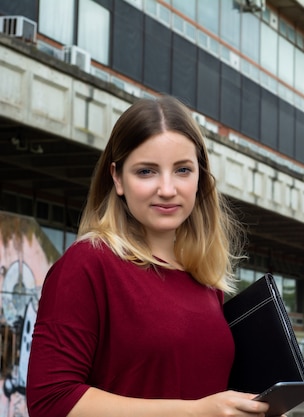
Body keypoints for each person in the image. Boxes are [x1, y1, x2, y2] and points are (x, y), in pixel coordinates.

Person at [26, 95, 272, 417]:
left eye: (183, 170)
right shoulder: (87, 264)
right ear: (117, 178)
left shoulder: (205, 280)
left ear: (199, 177)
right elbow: (50, 401)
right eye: (146, 172)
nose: (167, 189)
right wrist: (196, 413)